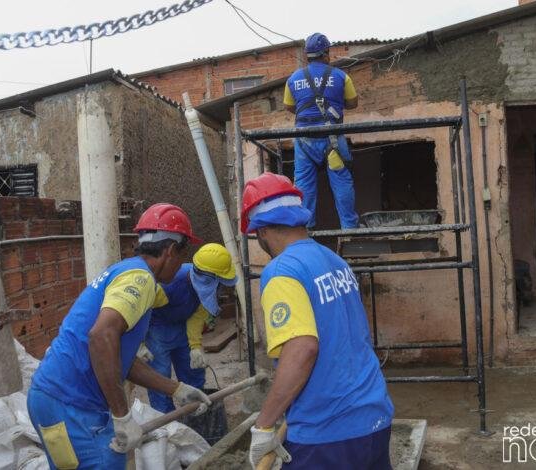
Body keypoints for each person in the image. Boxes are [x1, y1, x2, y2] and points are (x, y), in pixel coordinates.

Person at [27, 204, 213, 469]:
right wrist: (122, 415)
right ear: (171, 251)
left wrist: (177, 388)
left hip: (51, 399)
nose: (182, 262)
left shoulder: (125, 269)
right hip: (71, 405)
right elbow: (101, 336)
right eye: (184, 253)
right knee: (111, 461)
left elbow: (118, 358)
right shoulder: (140, 279)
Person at [240, 172, 394, 469]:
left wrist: (264, 425)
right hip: (374, 418)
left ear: (260, 231)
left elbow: (302, 350)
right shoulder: (336, 261)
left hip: (326, 434)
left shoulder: (282, 271)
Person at [145, 242, 237, 413]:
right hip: (156, 328)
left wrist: (195, 347)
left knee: (193, 369)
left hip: (182, 326)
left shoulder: (206, 289)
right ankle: (166, 424)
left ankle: (195, 414)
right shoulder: (168, 283)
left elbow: (196, 317)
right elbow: (142, 310)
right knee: (160, 377)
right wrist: (140, 343)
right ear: (207, 276)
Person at [283, 32, 359, 229]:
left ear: (307, 55)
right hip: (332, 139)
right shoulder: (341, 76)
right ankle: (350, 229)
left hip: (304, 140)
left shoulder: (293, 79)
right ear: (326, 54)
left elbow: (290, 107)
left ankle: (305, 231)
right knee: (341, 182)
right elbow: (352, 103)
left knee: (304, 185)